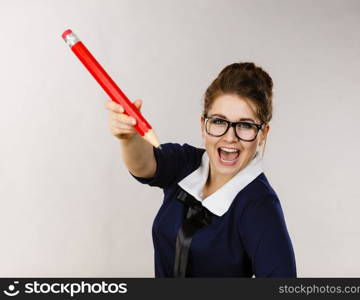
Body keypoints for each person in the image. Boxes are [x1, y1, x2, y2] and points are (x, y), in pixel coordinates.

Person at [104, 62, 296, 277]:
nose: (230, 137)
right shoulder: (186, 163)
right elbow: (144, 166)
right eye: (218, 121)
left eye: (246, 125)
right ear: (203, 124)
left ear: (262, 134)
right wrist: (129, 137)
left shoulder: (259, 205)